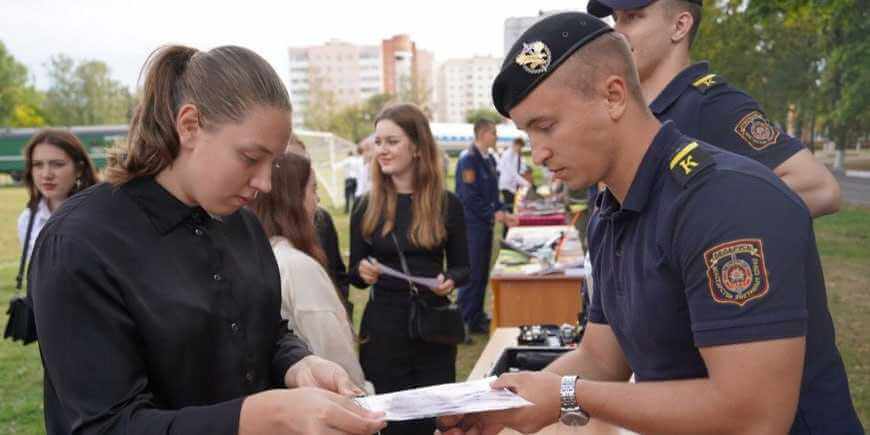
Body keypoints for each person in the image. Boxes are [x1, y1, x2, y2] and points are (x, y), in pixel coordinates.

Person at [439, 12, 862, 434]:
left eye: (546, 127)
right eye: (530, 135)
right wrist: (498, 402)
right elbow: (602, 359)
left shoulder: (723, 202)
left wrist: (568, 396)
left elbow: (753, 416)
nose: (540, 152)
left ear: (614, 96)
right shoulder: (610, 213)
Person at [28, 44, 386, 435]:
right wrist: (255, 418)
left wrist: (298, 364)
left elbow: (265, 330)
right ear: (189, 126)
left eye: (274, 163)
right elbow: (105, 426)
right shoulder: (81, 243)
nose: (265, 183)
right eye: (250, 158)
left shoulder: (243, 224)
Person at [587, 0, 841, 218]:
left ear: (679, 26)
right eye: (615, 19)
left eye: (632, 17)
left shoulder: (712, 104)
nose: (617, 33)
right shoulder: (628, 110)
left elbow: (819, 188)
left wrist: (696, 224)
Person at [350, 103, 470, 435]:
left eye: (392, 141)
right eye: (378, 142)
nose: (382, 150)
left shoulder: (447, 204)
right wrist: (362, 270)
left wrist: (451, 280)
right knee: (391, 423)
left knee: (431, 417)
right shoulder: (366, 206)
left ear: (416, 147)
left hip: (432, 327)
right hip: (384, 331)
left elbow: (464, 268)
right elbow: (353, 276)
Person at [249, 150, 371, 394]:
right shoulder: (298, 267)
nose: (317, 201)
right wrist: (363, 397)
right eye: (313, 190)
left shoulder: (256, 256)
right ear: (293, 198)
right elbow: (334, 353)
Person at [454, 119, 516, 334]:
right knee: (471, 273)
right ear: (481, 133)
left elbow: (492, 192)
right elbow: (468, 196)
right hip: (472, 226)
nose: (496, 136)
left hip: (484, 225)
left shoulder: (487, 159)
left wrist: (503, 211)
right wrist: (493, 213)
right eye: (493, 132)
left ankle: (476, 316)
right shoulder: (468, 159)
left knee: (481, 272)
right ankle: (462, 322)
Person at [18, 129, 98, 261]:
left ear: (78, 169)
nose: (46, 174)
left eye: (57, 164)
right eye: (38, 165)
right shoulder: (27, 220)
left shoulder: (98, 215)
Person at [497, 137, 530, 212]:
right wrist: (525, 183)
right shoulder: (507, 155)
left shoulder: (515, 154)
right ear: (515, 144)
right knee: (509, 207)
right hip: (506, 185)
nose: (520, 149)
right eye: (519, 147)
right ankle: (507, 223)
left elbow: (521, 168)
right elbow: (513, 173)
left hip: (512, 184)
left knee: (511, 207)